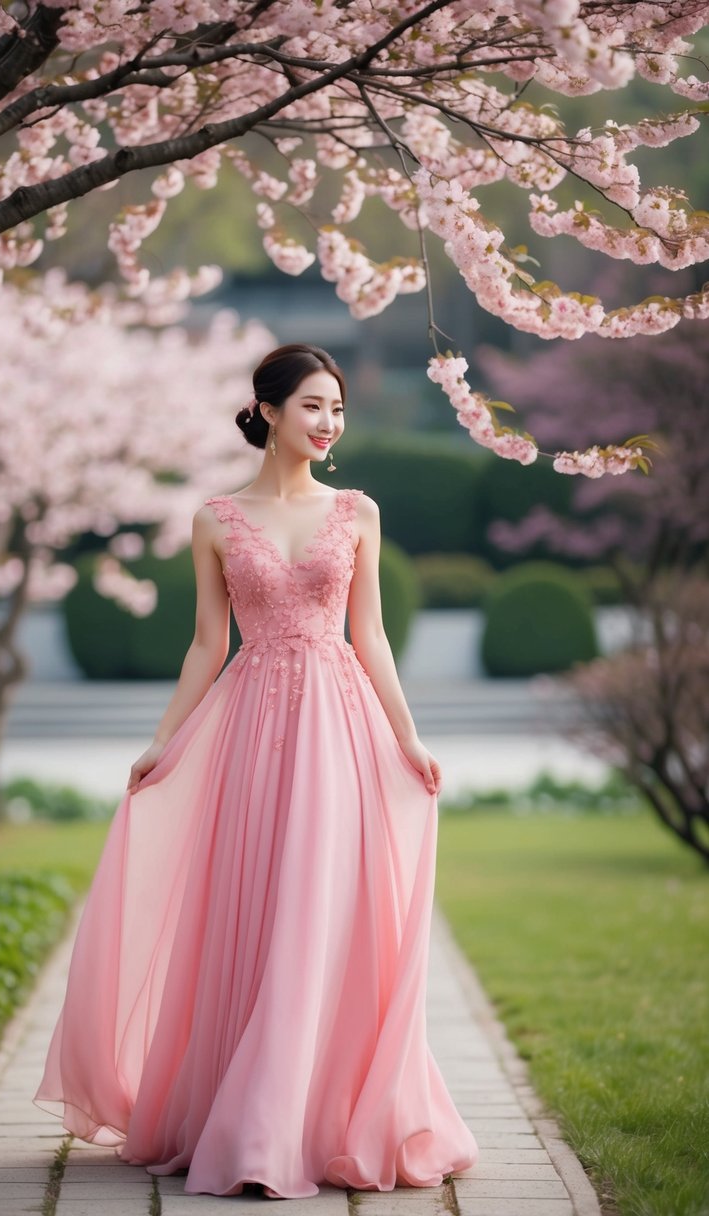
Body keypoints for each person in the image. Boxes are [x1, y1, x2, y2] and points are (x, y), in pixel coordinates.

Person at [33, 343, 479, 1198]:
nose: (328, 423)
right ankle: (244, 1120)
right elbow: (208, 642)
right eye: (312, 406)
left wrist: (408, 738)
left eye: (337, 409)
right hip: (251, 730)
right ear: (268, 411)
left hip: (337, 726)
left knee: (325, 910)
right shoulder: (215, 518)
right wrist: (162, 740)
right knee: (256, 908)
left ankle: (322, 1116)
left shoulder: (357, 511)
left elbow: (371, 636)